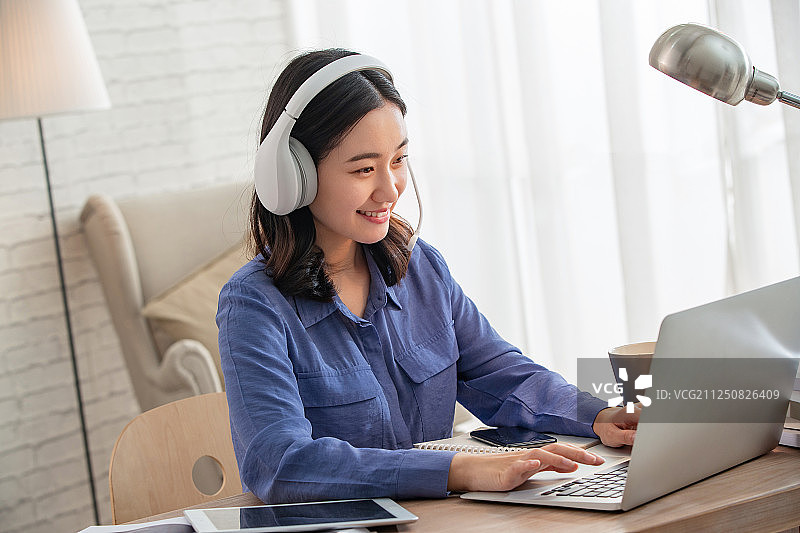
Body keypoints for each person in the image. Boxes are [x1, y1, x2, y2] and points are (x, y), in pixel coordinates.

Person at [218, 48, 639, 504]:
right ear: (292, 175)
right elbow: (282, 465)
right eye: (363, 168)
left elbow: (500, 373)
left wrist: (597, 416)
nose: (390, 188)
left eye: (398, 160)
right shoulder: (254, 305)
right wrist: (458, 470)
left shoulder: (420, 268)